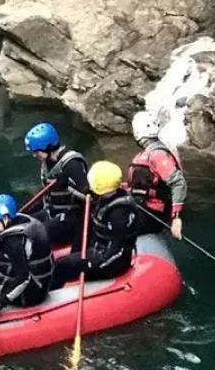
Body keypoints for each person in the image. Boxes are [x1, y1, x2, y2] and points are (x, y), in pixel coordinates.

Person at [52, 161, 150, 287]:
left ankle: (51, 295)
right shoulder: (108, 196)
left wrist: (90, 265)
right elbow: (88, 196)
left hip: (112, 263)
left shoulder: (119, 214)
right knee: (62, 262)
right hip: (99, 251)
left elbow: (117, 250)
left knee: (61, 265)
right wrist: (68, 186)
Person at [19, 121, 90, 245]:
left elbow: (91, 198)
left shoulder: (72, 164)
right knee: (20, 223)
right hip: (52, 212)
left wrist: (68, 185)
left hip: (73, 218)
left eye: (37, 151)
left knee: (32, 233)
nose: (35, 155)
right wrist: (21, 214)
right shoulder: (47, 164)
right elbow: (46, 195)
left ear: (48, 146)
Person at [127, 112, 187, 240]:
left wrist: (176, 218)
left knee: (116, 224)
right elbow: (138, 186)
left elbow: (178, 183)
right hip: (142, 207)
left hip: (154, 214)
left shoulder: (157, 155)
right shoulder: (143, 155)